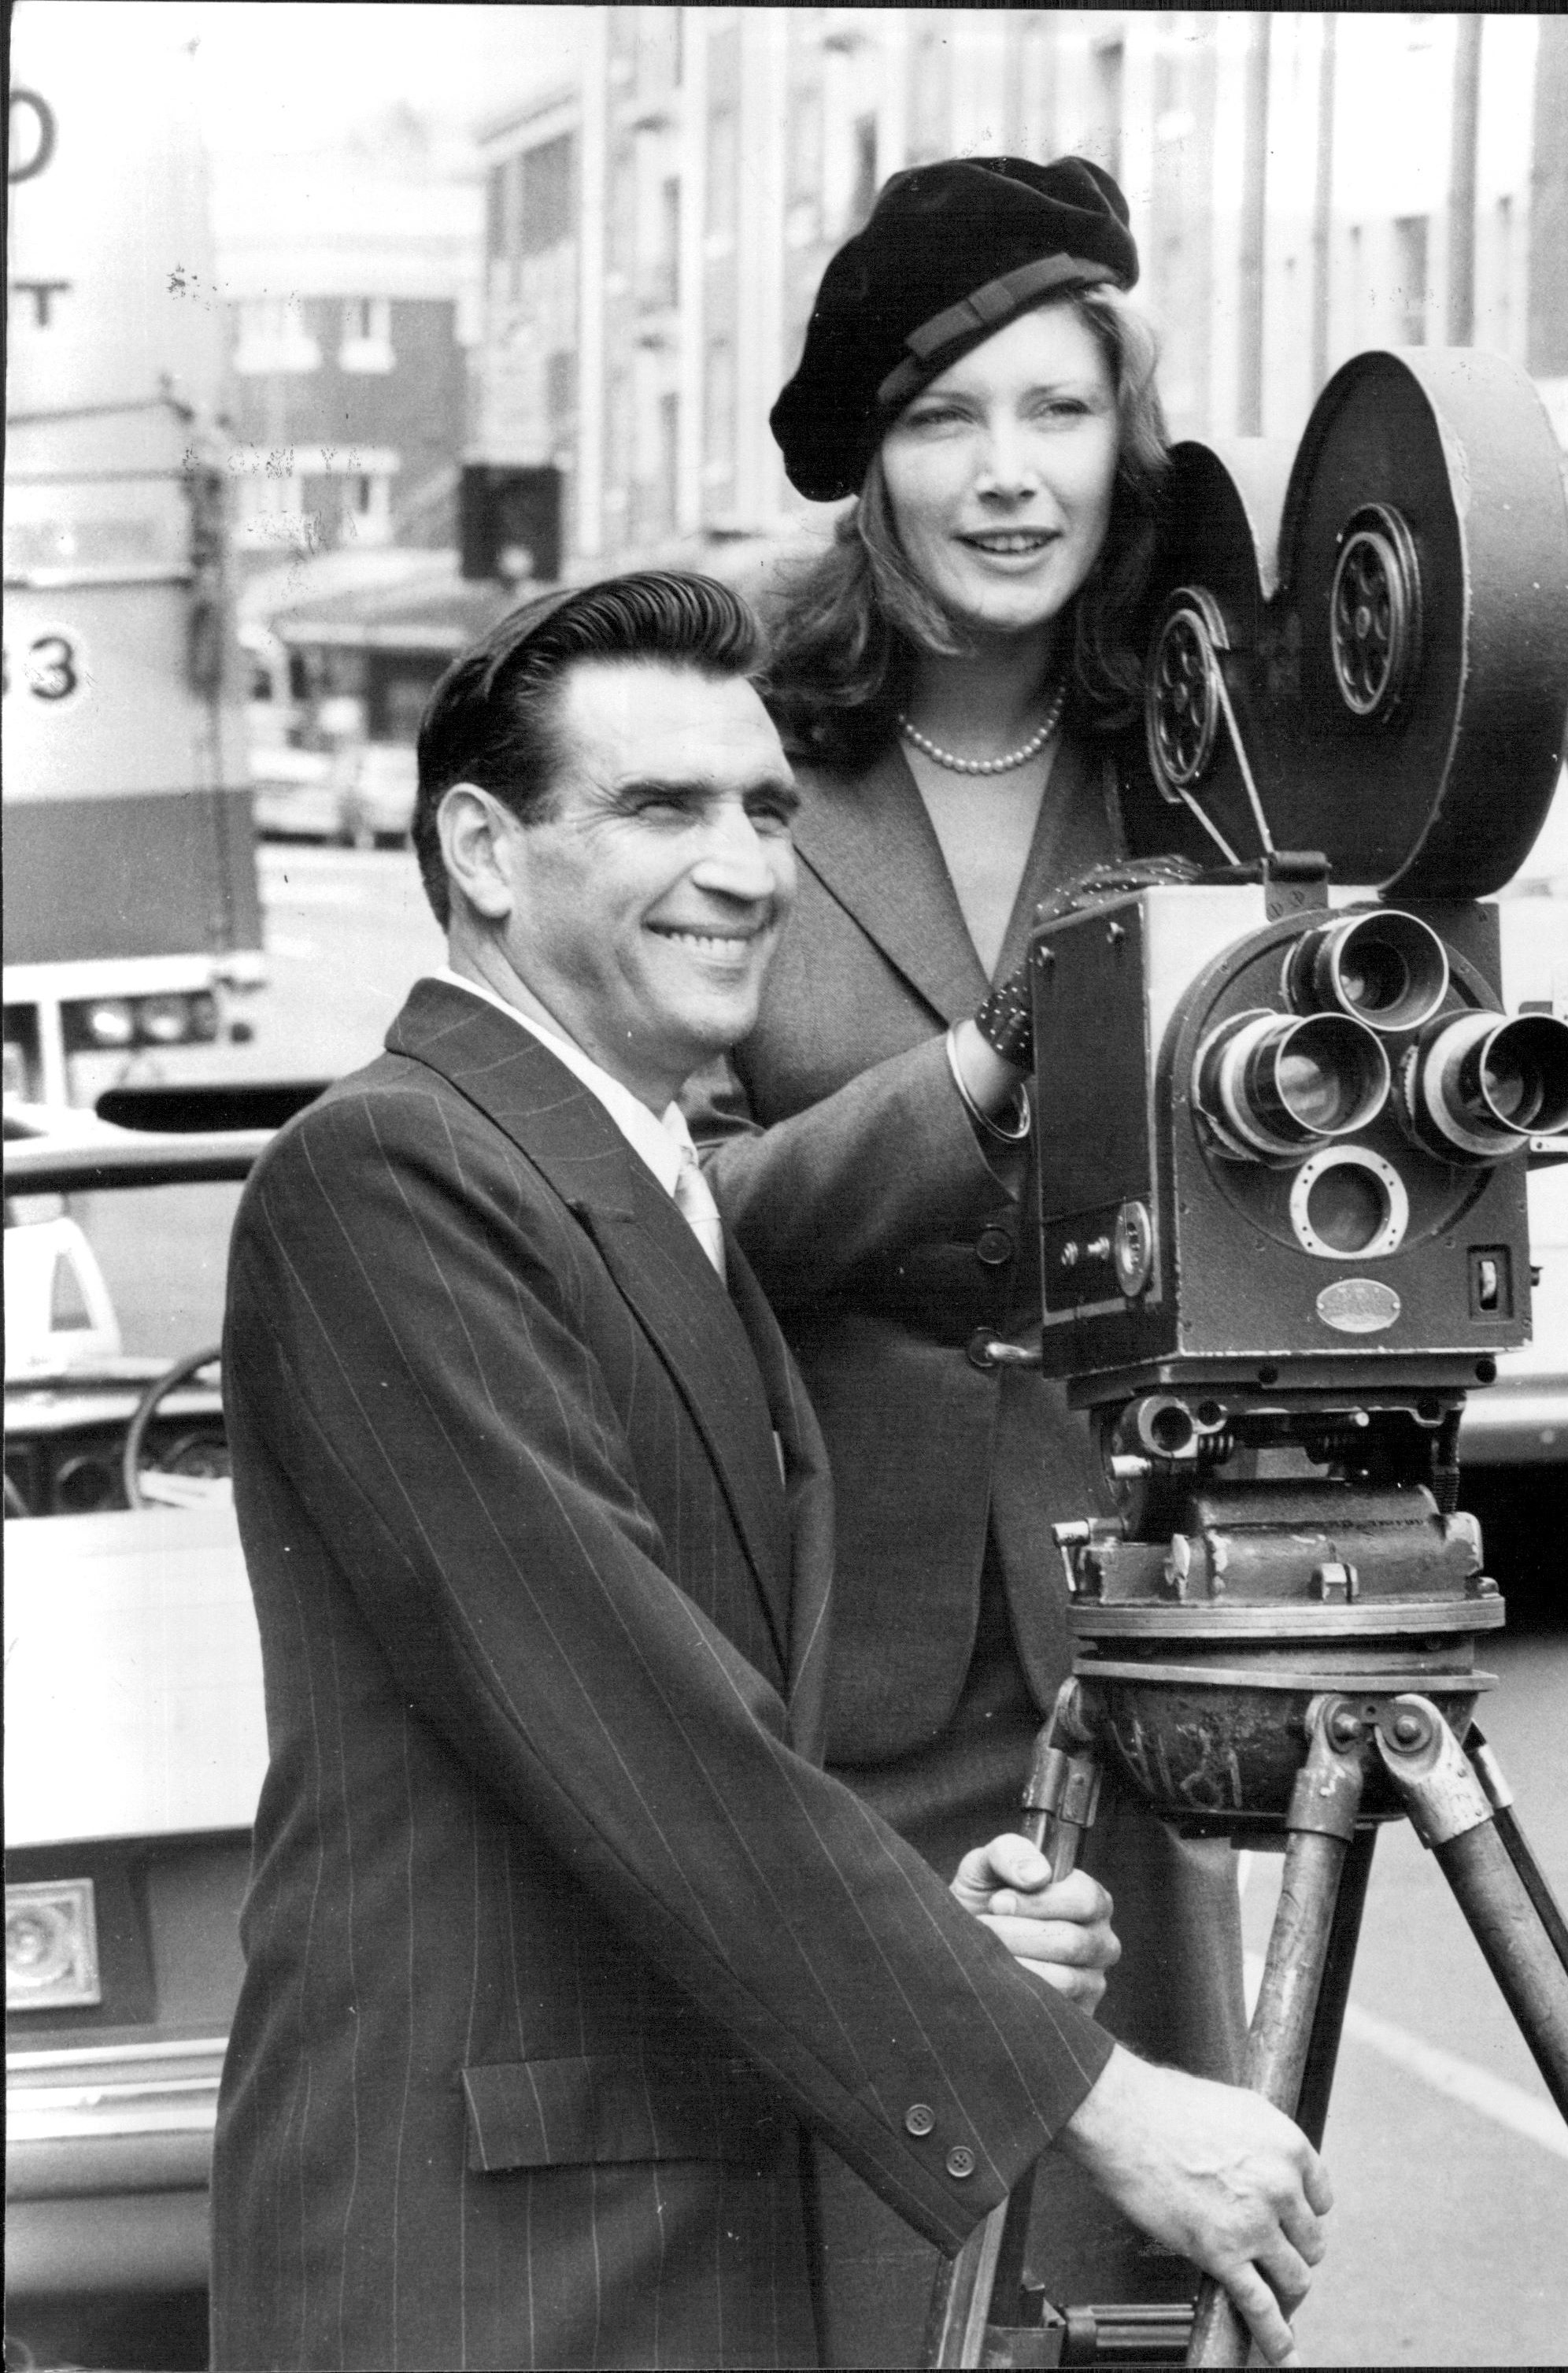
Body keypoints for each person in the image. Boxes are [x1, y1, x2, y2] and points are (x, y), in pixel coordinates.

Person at [209, 573, 1330, 2370]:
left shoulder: (636, 1178)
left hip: (633, 2223)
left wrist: (949, 1947)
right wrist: (1085, 2090)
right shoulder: (392, 1174)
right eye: (661, 808)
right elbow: (640, 1732)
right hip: (493, 2267)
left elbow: (688, 1746)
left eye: (764, 809)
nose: (741, 867)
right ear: (483, 850)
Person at [685, 155, 1251, 2356]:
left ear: (1129, 437)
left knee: (1142, 2265)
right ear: (867, 463)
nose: (1008, 474)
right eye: (944, 419)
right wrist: (977, 1070)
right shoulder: (728, 737)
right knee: (855, 2279)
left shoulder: (1201, 745)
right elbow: (671, 1210)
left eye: (1059, 410)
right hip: (821, 1637)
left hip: (1134, 1628)